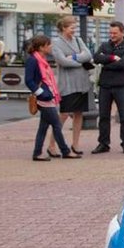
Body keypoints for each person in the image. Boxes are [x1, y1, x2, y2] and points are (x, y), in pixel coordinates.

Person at [24, 35, 80, 161]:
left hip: (48, 96)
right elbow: (28, 80)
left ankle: (37, 153)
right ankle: (65, 151)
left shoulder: (42, 59)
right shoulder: (33, 60)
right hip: (44, 98)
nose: (51, 47)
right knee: (56, 124)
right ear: (41, 47)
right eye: (48, 45)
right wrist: (41, 93)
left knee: (43, 127)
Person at [47, 16, 92, 155]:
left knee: (79, 114)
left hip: (82, 83)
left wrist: (72, 57)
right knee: (64, 114)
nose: (74, 30)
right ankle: (51, 145)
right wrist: (79, 59)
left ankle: (75, 144)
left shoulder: (78, 40)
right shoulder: (56, 43)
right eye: (72, 28)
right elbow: (62, 61)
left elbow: (88, 55)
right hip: (67, 84)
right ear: (63, 28)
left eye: (75, 27)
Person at [92, 22, 124, 154]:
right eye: (110, 33)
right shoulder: (105, 45)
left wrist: (106, 63)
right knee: (103, 116)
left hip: (121, 86)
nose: (112, 35)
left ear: (122, 32)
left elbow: (123, 64)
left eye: (115, 33)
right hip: (105, 85)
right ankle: (103, 143)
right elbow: (96, 58)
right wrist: (111, 58)